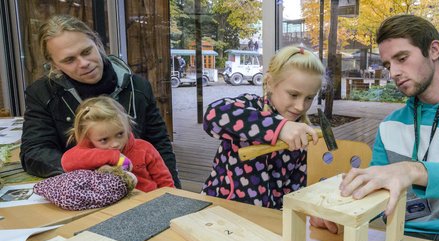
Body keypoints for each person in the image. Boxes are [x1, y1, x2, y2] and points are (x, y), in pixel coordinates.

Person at [311, 14, 439, 241]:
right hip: (401, 238)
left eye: (402, 58)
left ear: (433, 50)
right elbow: (378, 197)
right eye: (389, 65)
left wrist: (415, 171)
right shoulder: (390, 126)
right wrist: (340, 211)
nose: (394, 73)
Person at [20, 15, 181, 188]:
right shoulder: (41, 93)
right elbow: (34, 152)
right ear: (54, 64)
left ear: (97, 43)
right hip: (85, 194)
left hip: (140, 192)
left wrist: (175, 195)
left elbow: (160, 144)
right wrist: (90, 171)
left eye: (86, 51)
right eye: (69, 60)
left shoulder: (138, 87)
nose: (83, 63)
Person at [202, 46, 325, 209]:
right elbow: (212, 115)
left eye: (309, 98)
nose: (300, 106)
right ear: (269, 83)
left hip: (267, 221)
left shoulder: (300, 136)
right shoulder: (250, 106)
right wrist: (279, 128)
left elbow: (295, 190)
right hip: (219, 211)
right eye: (293, 95)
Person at [61, 96, 174, 192]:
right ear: (88, 138)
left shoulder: (144, 148)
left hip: (148, 201)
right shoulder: (86, 152)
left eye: (120, 134)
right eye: (104, 140)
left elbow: (164, 180)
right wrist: (112, 156)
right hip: (111, 208)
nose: (115, 144)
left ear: (128, 126)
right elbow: (67, 161)